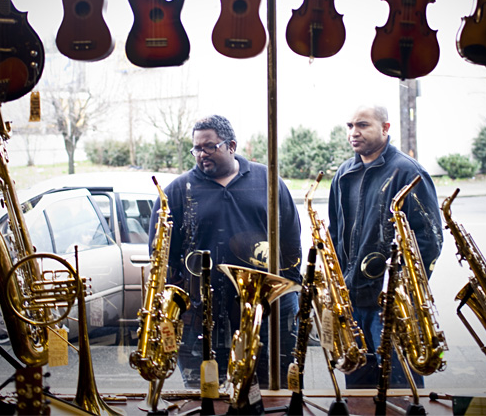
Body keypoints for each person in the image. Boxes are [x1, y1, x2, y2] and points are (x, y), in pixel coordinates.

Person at [146, 114, 302, 391]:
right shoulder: (177, 191)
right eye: (196, 148)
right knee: (206, 392)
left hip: (265, 309)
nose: (202, 154)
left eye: (209, 147)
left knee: (269, 389)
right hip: (201, 311)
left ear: (231, 146)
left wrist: (285, 291)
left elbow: (290, 240)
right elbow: (161, 255)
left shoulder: (268, 180)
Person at [328, 104, 443, 389]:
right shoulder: (343, 173)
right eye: (350, 126)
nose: (354, 132)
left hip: (390, 307)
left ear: (385, 128)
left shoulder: (408, 171)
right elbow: (334, 233)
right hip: (350, 303)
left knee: (401, 390)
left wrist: (401, 294)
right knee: (358, 389)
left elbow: (430, 240)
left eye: (363, 125)